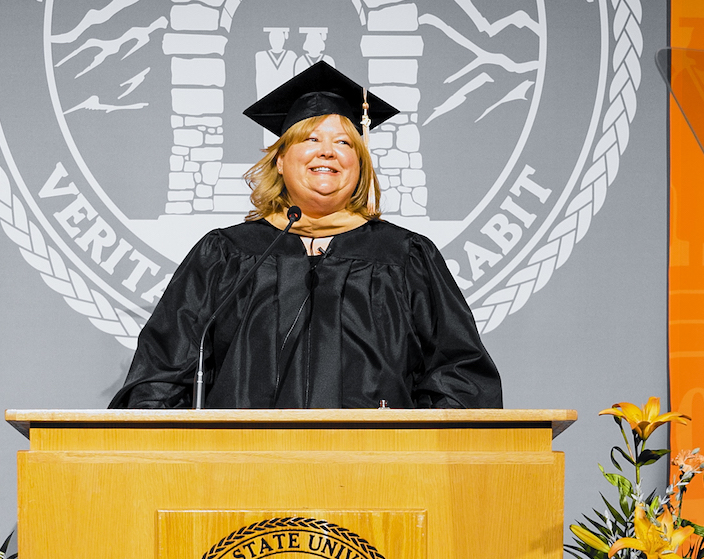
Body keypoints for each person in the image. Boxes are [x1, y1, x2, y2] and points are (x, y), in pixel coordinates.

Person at [110, 62, 502, 409]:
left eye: (344, 142)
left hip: (380, 475)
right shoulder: (228, 255)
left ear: (359, 163)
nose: (327, 152)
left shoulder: (405, 256)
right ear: (280, 160)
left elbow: (459, 374)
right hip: (240, 474)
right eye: (311, 139)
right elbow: (163, 373)